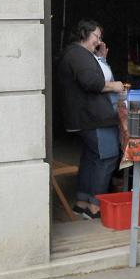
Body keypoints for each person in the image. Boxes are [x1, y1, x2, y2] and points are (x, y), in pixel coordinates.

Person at [56, 20, 127, 219]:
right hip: (93, 117)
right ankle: (95, 207)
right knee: (107, 157)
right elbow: (91, 82)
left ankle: (82, 203)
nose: (99, 40)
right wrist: (115, 86)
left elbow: (94, 75)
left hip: (85, 117)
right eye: (96, 36)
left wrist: (101, 58)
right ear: (84, 34)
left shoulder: (79, 54)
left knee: (92, 157)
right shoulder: (78, 54)